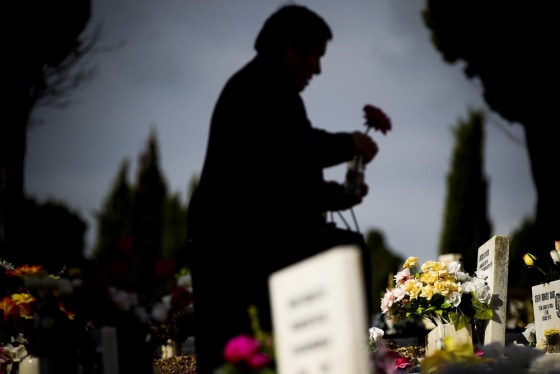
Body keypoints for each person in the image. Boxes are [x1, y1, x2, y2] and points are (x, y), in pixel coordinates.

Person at [186, 5, 390, 372]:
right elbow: (295, 148)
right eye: (316, 55)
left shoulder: (261, 85)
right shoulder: (262, 86)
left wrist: (332, 196)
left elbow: (276, 176)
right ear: (291, 48)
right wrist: (351, 143)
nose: (318, 69)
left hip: (241, 242)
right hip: (235, 249)